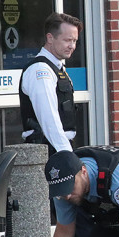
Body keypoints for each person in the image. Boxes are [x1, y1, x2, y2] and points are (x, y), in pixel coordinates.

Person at [20, 13, 83, 153]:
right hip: (47, 150)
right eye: (67, 40)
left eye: (75, 41)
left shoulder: (57, 68)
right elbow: (49, 119)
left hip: (57, 148)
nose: (72, 46)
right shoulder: (40, 70)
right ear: (50, 38)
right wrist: (67, 155)